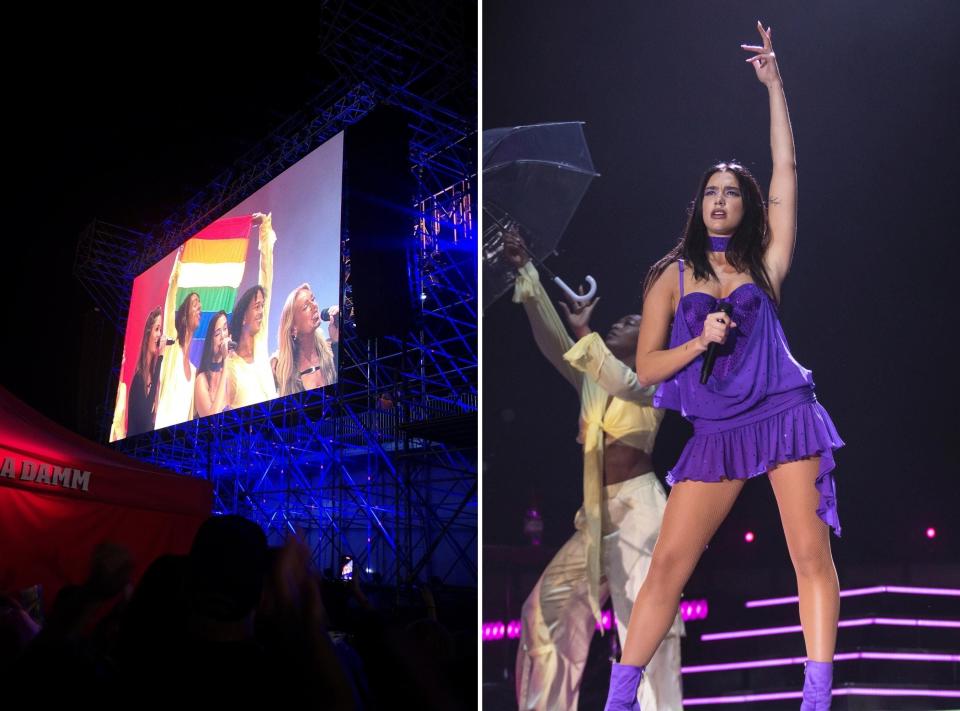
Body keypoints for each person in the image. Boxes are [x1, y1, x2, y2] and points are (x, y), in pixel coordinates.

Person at [604, 24, 843, 711]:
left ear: (745, 208)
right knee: (667, 569)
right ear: (697, 202)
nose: (719, 198)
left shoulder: (766, 267)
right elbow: (648, 367)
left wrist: (775, 87)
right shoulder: (669, 277)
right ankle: (620, 700)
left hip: (784, 413)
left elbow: (788, 173)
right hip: (716, 433)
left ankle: (817, 699)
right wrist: (698, 341)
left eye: (732, 192)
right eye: (710, 189)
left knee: (809, 556)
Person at [505, 230, 683, 711]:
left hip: (641, 514)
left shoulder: (654, 378)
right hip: (596, 519)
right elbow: (552, 341)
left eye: (633, 322)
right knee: (545, 614)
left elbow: (621, 382)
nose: (622, 322)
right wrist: (527, 270)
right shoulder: (591, 373)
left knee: (647, 635)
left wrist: (585, 337)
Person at [225, 212, 278, 409]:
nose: (261, 312)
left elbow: (266, 277)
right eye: (257, 307)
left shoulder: (260, 340)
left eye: (262, 306)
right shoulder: (231, 367)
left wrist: (264, 230)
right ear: (243, 317)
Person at [154, 246, 202, 429]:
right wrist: (178, 263)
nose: (200, 308)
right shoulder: (172, 348)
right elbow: (171, 296)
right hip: (160, 438)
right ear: (183, 315)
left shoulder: (194, 369)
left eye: (200, 305)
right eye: (195, 303)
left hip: (178, 446)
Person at [274, 283, 338, 396]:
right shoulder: (280, 370)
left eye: (313, 299)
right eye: (306, 307)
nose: (314, 306)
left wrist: (337, 342)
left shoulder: (332, 350)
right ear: (293, 328)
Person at [127, 307, 165, 436]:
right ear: (148, 334)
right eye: (156, 329)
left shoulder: (151, 374)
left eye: (161, 330)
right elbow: (145, 414)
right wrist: (160, 358)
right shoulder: (139, 378)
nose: (160, 334)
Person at [194, 310, 232, 417]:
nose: (223, 336)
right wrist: (226, 360)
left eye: (225, 329)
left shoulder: (231, 373)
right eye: (217, 333)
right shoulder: (201, 379)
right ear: (210, 341)